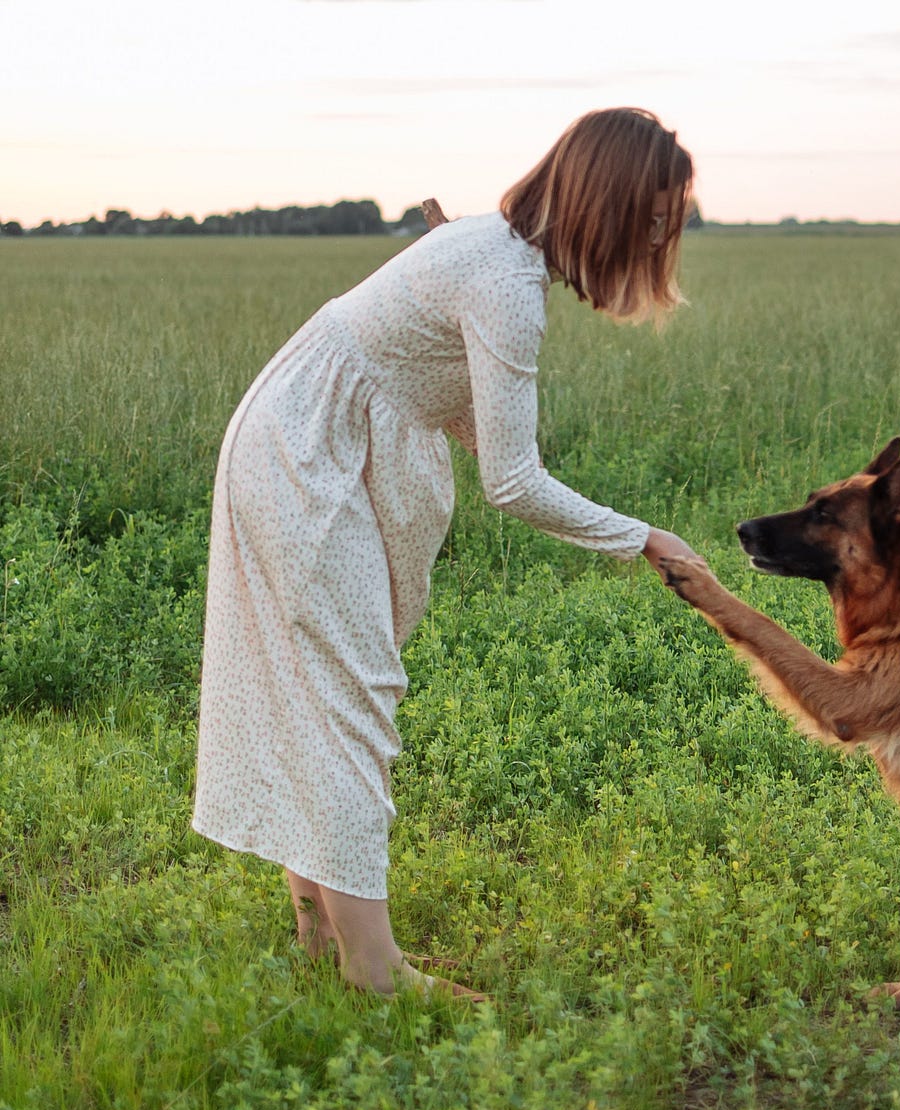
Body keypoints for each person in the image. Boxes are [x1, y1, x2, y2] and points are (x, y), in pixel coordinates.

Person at [192, 107, 699, 999]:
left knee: (331, 692)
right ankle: (375, 971)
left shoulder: (495, 251)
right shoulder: (503, 282)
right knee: (353, 699)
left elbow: (441, 397)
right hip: (305, 452)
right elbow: (513, 482)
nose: (660, 237)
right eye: (653, 217)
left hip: (314, 438)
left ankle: (322, 938)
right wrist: (644, 539)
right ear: (609, 201)